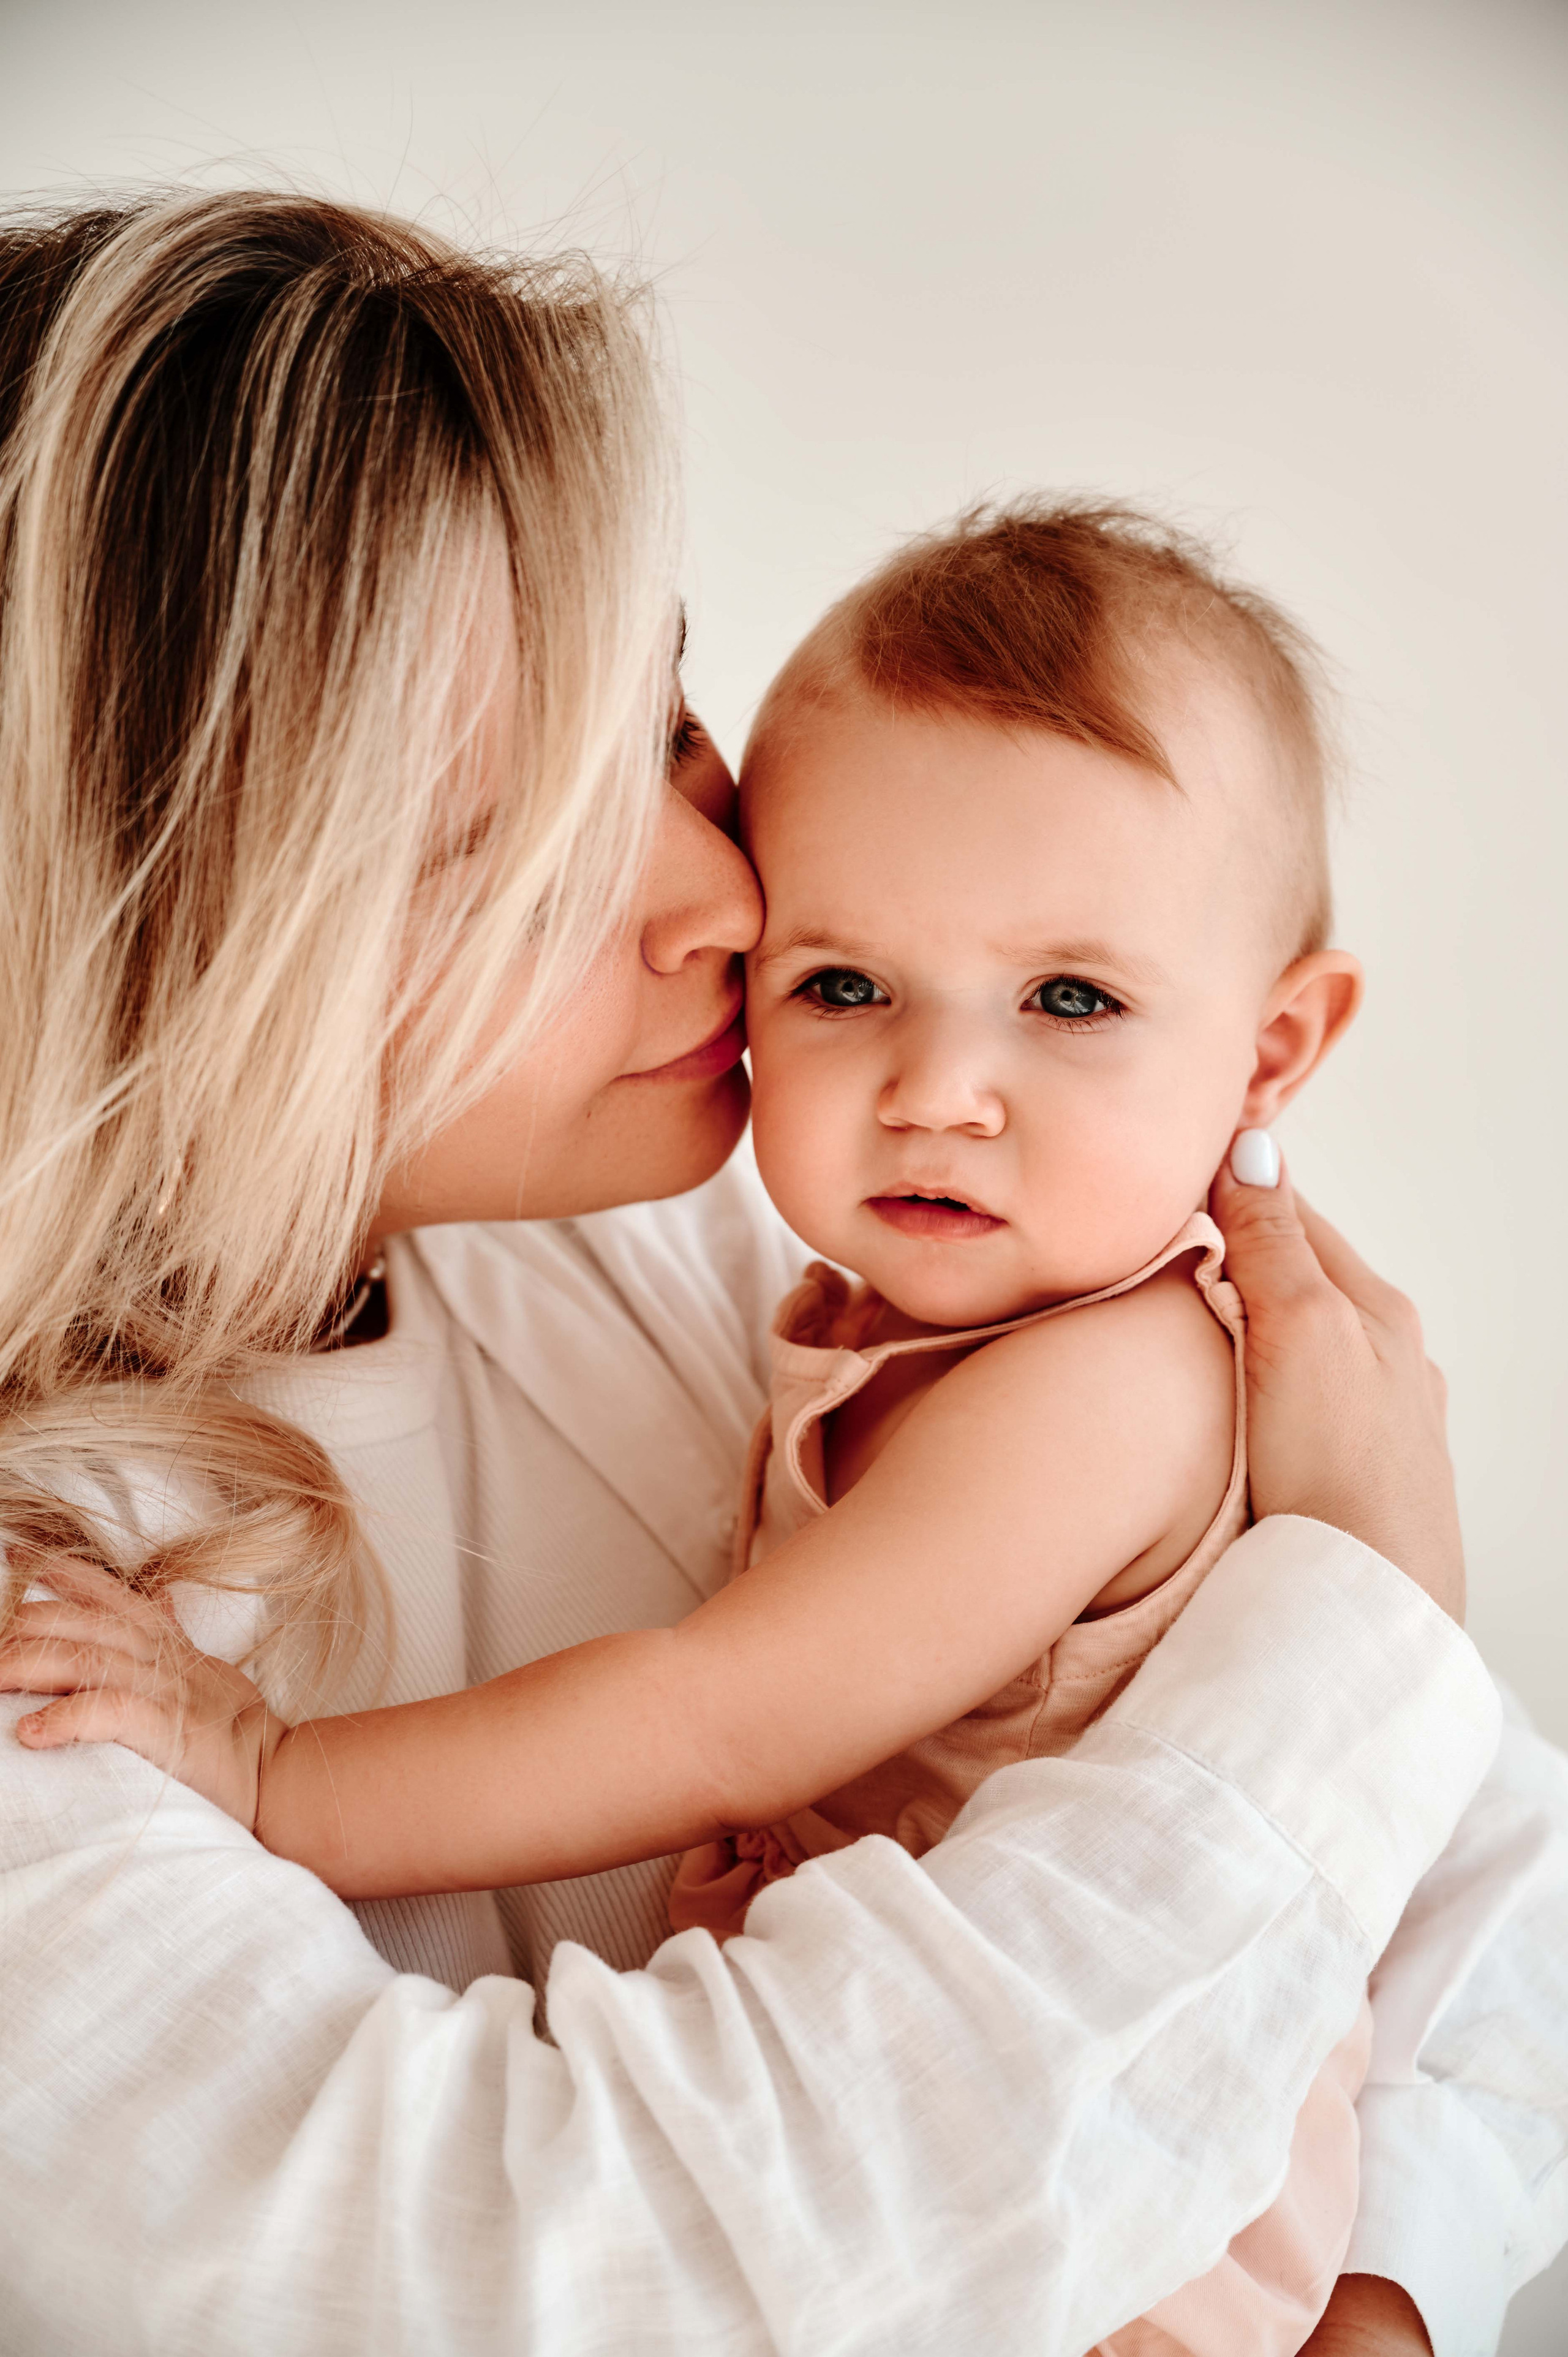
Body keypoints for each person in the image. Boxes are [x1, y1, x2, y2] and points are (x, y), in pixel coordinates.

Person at [0, 189, 1563, 2357]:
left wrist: (1395, 2278)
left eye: (655, 729)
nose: (723, 901)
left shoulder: (703, 1243)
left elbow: (1480, 1860)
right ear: (154, 938)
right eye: (511, 853)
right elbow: (537, 2269)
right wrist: (1365, 1604)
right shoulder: (56, 1624)